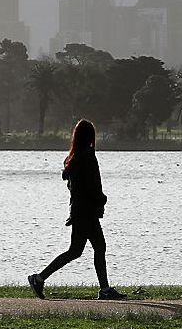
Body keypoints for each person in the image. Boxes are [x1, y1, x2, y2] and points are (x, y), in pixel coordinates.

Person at [28, 119, 124, 300]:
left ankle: (39, 278)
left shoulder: (74, 158)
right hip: (86, 211)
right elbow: (91, 185)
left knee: (76, 251)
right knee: (98, 247)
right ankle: (104, 290)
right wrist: (102, 198)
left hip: (79, 211)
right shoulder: (87, 156)